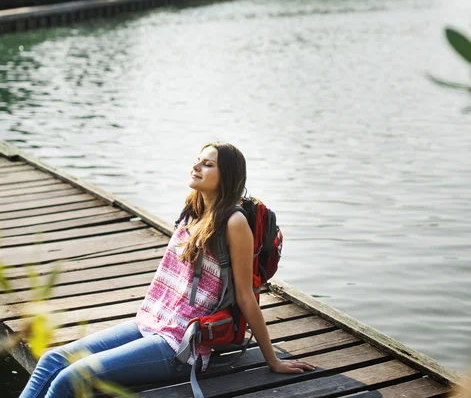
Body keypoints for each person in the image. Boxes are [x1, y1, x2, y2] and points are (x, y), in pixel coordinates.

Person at [20, 142, 315, 398]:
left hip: (181, 345)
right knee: (53, 359)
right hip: (151, 322)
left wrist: (272, 359)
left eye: (208, 164)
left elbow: (245, 296)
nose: (196, 165)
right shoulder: (194, 209)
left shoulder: (234, 223)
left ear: (227, 176)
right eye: (198, 159)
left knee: (73, 377)